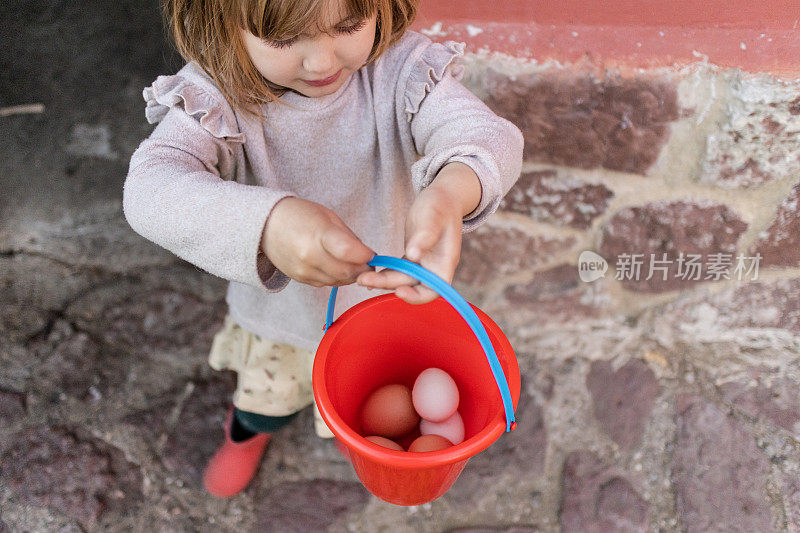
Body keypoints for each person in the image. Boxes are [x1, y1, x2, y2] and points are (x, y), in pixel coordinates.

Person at [123, 0, 523, 498]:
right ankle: (245, 437)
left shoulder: (399, 72)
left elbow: (489, 136)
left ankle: (353, 434)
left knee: (360, 405)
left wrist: (451, 189)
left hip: (381, 315)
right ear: (219, 22)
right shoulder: (219, 98)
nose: (322, 63)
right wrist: (268, 224)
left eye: (348, 25)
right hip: (282, 324)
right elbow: (148, 191)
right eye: (286, 39)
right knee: (262, 403)